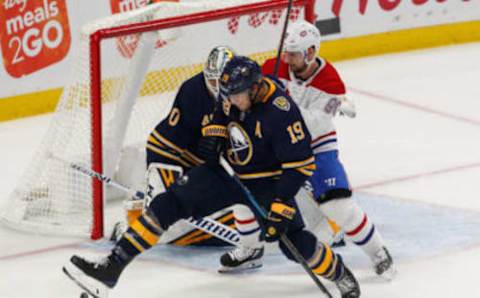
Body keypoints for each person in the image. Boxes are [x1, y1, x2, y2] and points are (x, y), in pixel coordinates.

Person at [62, 56, 361, 298]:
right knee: (167, 204)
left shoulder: (282, 112)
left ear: (255, 88)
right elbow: (221, 113)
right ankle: (112, 267)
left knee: (293, 244)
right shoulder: (233, 93)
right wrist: (215, 134)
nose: (228, 100)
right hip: (225, 172)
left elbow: (300, 165)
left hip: (268, 182)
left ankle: (337, 271)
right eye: (226, 94)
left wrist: (282, 203)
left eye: (235, 95)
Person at [220, 20, 395, 280]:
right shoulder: (272, 68)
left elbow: (312, 124)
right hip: (276, 145)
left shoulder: (330, 83)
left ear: (311, 52)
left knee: (337, 206)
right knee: (244, 190)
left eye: (293, 53)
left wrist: (281, 109)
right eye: (286, 51)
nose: (286, 58)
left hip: (316, 145)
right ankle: (251, 249)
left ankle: (378, 251)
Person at [111, 45, 237, 246]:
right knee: (170, 222)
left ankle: (155, 226)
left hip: (223, 169)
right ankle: (138, 224)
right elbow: (162, 148)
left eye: (222, 81)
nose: (217, 87)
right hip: (184, 160)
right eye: (212, 80)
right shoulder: (192, 92)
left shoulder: (246, 92)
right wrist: (167, 189)